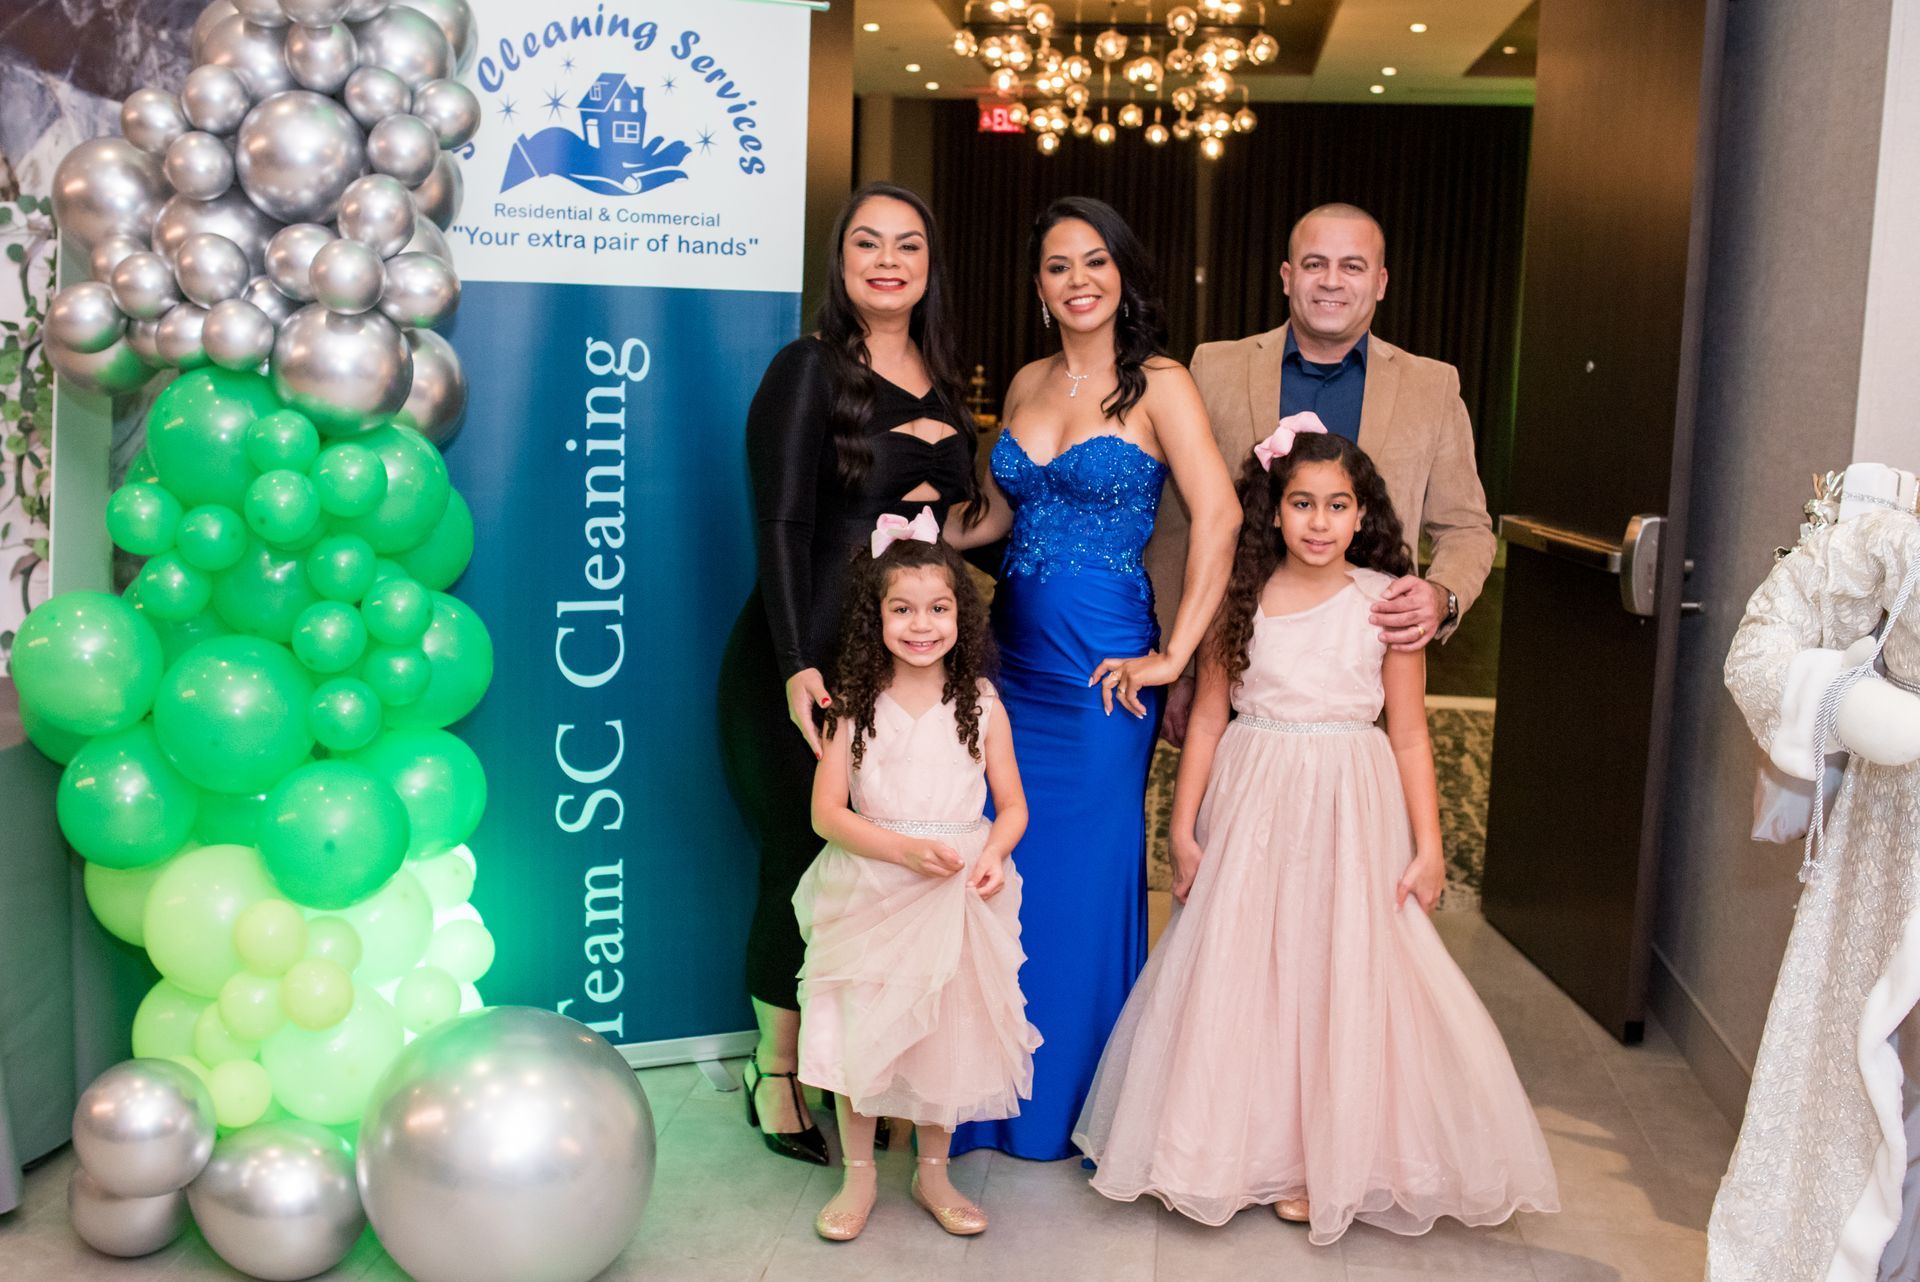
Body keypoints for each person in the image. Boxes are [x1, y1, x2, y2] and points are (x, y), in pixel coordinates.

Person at [1075, 419, 1558, 1244]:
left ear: (1363, 514)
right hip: (1257, 800)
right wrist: (1184, 829)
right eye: (1302, 503)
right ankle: (1237, 1145)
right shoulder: (1242, 602)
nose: (1320, 522)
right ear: (1274, 511)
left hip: (1350, 803)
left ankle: (1326, 1158)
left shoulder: (1385, 606)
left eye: (1339, 505)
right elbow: (1213, 720)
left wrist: (1430, 845)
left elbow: (1409, 735)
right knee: (1249, 964)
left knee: (1342, 966)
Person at [946, 196, 1239, 1160]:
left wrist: (1175, 655)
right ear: (1038, 287)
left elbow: (1221, 517)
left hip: (1106, 669)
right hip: (1013, 658)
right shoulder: (1028, 379)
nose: (1079, 281)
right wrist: (892, 528)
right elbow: (992, 520)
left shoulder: (1160, 383)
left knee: (1079, 875)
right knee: (1003, 869)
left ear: (1122, 275)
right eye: (1059, 267)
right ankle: (986, 1099)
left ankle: (1075, 1107)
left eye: (1095, 262)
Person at [717, 183, 983, 1164]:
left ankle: (872, 1072)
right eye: (866, 243)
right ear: (840, 263)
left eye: (907, 244)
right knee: (801, 863)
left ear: (928, 264)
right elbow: (782, 524)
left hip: (902, 671)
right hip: (806, 665)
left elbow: (945, 528)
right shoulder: (808, 368)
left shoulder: (943, 379)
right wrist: (796, 664)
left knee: (886, 871)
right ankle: (774, 1072)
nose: (886, 259)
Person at [1147, 202, 1497, 742]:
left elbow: (1466, 527)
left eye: (1352, 266)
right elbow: (1176, 526)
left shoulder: (1433, 386)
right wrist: (1183, 662)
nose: (1331, 281)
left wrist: (1443, 594)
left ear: (1380, 282)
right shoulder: (1214, 368)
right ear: (1288, 277)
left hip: (1365, 679)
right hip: (1234, 670)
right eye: (1314, 264)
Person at [795, 520, 1040, 1241]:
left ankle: (934, 1171)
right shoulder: (854, 707)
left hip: (957, 891)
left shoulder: (983, 704)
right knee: (862, 1027)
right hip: (873, 886)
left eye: (939, 608)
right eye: (902, 609)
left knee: (943, 1030)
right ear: (875, 620)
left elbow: (1014, 805)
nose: (922, 624)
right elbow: (826, 815)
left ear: (962, 617)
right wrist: (901, 851)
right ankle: (860, 1176)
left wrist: (994, 850)